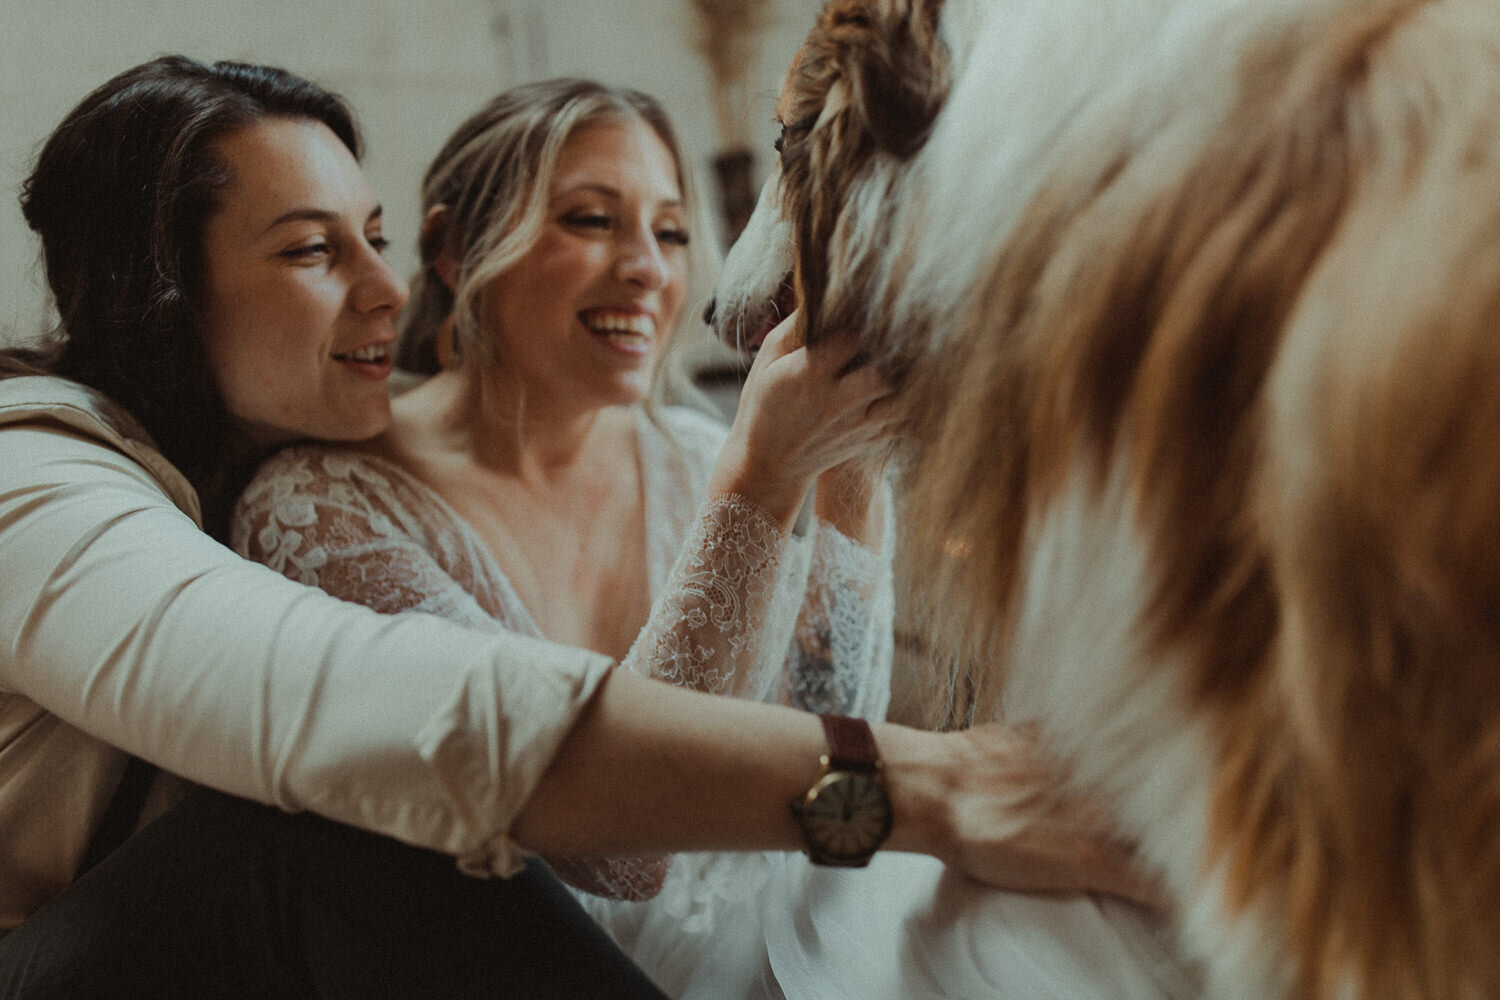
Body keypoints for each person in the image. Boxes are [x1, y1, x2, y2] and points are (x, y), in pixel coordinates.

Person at [0, 56, 1159, 999]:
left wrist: (838, 471)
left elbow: (809, 740)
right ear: (156, 291)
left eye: (372, 236)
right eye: (311, 248)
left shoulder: (236, 454)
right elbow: (399, 717)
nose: (388, 290)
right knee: (346, 821)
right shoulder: (38, 486)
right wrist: (941, 784)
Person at [231, 78, 901, 990]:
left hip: (777, 952)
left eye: (669, 233)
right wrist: (767, 478)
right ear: (453, 251)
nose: (647, 269)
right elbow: (618, 856)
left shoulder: (699, 454)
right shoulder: (323, 510)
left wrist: (850, 472)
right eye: (592, 221)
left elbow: (834, 784)